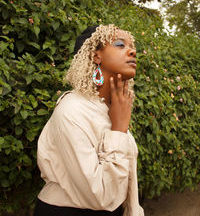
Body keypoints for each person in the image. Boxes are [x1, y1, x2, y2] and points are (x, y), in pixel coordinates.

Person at [33, 24, 144, 216]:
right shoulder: (72, 110)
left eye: (131, 46)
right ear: (95, 55)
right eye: (120, 44)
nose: (132, 51)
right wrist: (118, 129)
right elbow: (100, 196)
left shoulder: (110, 109)